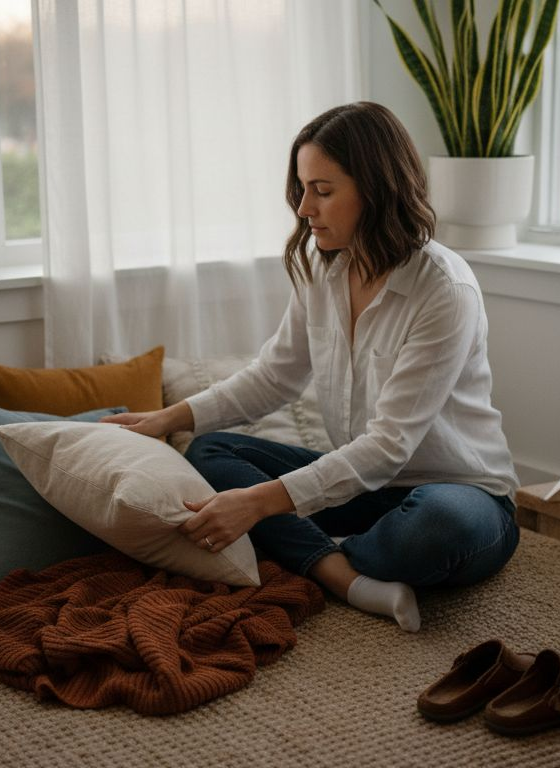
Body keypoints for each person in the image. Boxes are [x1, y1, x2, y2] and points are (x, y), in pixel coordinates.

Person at [103, 101, 520, 632]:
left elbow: (390, 446)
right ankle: (340, 572)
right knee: (210, 449)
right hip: (363, 490)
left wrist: (256, 507)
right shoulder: (323, 271)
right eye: (302, 189)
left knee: (436, 529)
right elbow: (273, 375)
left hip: (461, 494)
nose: (304, 208)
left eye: (323, 191)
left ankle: (306, 552)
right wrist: (169, 417)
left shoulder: (444, 290)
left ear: (377, 189)